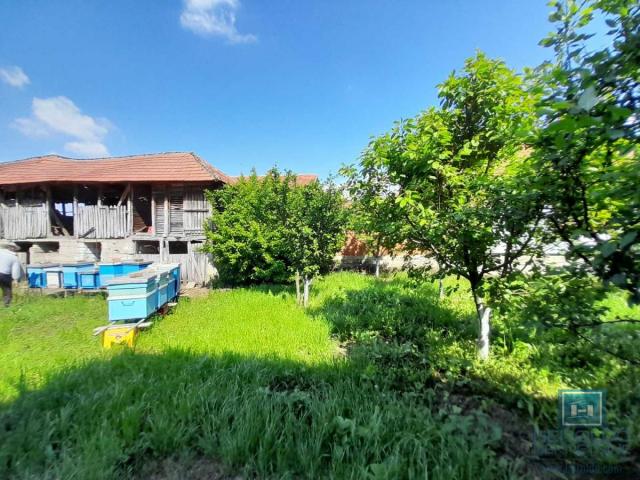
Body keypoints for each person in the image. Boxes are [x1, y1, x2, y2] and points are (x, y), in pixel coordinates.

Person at [0, 242, 23, 307]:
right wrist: (16, 279)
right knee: (7, 291)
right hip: (4, 275)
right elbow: (15, 270)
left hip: (4, 274)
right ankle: (6, 306)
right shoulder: (14, 258)